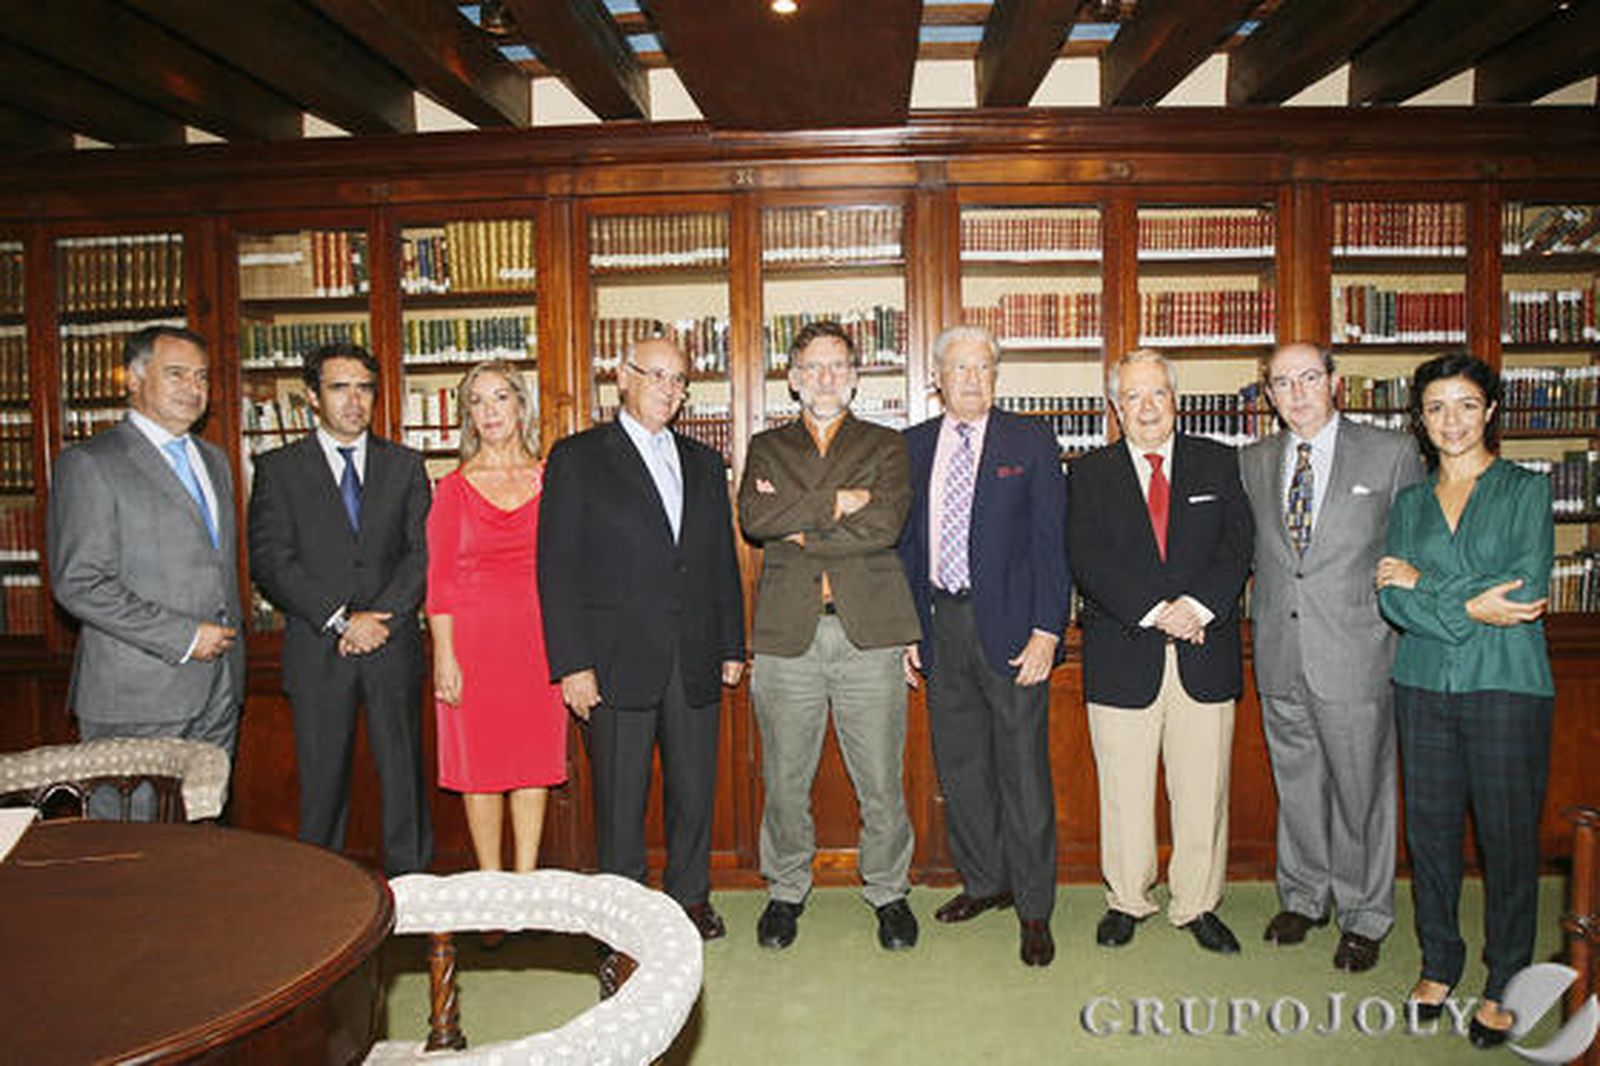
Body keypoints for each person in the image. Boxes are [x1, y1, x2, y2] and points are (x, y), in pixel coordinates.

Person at [537, 336, 745, 942]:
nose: (668, 389)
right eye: (655, 375)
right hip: (613, 660)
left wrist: (732, 643)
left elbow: (720, 560)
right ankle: (623, 917)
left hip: (695, 654)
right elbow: (556, 567)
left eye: (678, 379)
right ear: (622, 378)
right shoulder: (578, 457)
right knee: (620, 798)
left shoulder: (704, 462)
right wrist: (573, 664)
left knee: (694, 791)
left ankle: (691, 899)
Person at [1376, 351, 1554, 1050]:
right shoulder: (1409, 503)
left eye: (1466, 405)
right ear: (1420, 420)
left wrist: (1425, 584)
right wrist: (1468, 601)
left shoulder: (1526, 490)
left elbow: (1524, 589)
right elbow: (1390, 599)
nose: (1451, 421)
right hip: (1422, 683)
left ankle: (1507, 977)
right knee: (1431, 835)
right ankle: (1439, 962)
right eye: (1436, 408)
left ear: (1491, 411)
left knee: (1508, 840)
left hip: (1507, 684)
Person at [1240, 341, 1424, 972]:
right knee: (1297, 786)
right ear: (1269, 394)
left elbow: (1414, 546)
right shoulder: (1254, 460)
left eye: (1308, 378)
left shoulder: (1392, 453)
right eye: (1282, 382)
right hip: (1280, 651)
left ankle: (1364, 915)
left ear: (1334, 382)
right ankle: (1304, 896)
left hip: (1356, 654)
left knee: (1361, 793)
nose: (1296, 393)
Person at [739, 320, 922, 953]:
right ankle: (786, 890)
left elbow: (885, 526)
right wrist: (839, 501)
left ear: (855, 377)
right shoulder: (767, 445)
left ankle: (889, 892)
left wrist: (799, 522)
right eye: (813, 367)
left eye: (837, 366)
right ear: (792, 379)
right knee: (785, 779)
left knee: (881, 779)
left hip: (869, 634)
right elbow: (755, 518)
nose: (825, 377)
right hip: (786, 637)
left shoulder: (886, 444)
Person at [1066, 348, 1253, 955]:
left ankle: (1197, 902)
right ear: (1115, 407)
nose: (1146, 407)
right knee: (1123, 791)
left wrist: (1196, 608)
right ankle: (1128, 899)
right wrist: (1156, 612)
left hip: (1205, 651)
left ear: (1176, 399)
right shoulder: (1089, 474)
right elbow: (1087, 558)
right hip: (1124, 652)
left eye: (1157, 393)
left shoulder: (1219, 463)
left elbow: (1238, 546)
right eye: (1132, 396)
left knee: (1203, 790)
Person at [898, 325, 1070, 968]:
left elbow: (1052, 542)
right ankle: (985, 882)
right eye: (960, 368)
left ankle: (1034, 907)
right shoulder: (913, 445)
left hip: (1015, 632)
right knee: (961, 764)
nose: (972, 379)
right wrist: (908, 629)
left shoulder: (1029, 440)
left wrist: (1048, 630)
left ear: (997, 377)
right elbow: (905, 547)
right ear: (937, 379)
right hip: (940, 625)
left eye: (984, 368)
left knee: (1023, 772)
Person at [248, 342, 433, 875]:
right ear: (312, 396)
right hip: (318, 648)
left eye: (364, 388)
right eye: (339, 388)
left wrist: (381, 618)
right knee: (322, 787)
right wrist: (340, 619)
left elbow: (422, 553)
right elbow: (271, 560)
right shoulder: (279, 469)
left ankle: (412, 896)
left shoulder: (405, 465)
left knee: (405, 782)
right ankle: (321, 899)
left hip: (391, 645)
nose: (354, 401)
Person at [47, 324, 243, 817]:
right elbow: (79, 582)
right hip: (136, 694)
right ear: (133, 380)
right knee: (135, 847)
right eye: (176, 374)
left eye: (201, 377)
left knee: (201, 839)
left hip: (219, 686)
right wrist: (184, 637)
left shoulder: (214, 460)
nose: (193, 388)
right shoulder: (91, 463)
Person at [426, 360, 566, 874]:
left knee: (533, 761)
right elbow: (439, 581)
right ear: (467, 416)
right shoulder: (453, 488)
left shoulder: (553, 479)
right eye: (477, 401)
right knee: (479, 766)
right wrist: (445, 656)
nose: (489, 411)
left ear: (520, 406)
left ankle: (524, 882)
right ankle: (491, 883)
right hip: (473, 645)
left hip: (539, 640)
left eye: (499, 397)